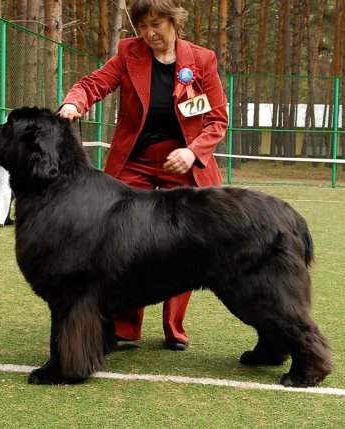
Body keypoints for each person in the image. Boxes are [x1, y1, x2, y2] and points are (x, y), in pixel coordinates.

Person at [58, 0, 228, 351]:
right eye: (141, 27)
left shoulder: (201, 60)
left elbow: (216, 119)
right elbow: (94, 84)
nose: (148, 34)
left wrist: (193, 151)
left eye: (156, 25)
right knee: (123, 239)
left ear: (173, 21)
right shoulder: (128, 53)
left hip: (182, 160)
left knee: (183, 243)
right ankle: (125, 327)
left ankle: (174, 328)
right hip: (134, 160)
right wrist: (75, 102)